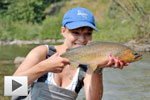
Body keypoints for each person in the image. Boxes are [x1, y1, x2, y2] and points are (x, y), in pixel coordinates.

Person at [12, 7, 129, 100]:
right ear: (63, 31)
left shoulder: (87, 64)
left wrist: (98, 69)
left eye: (88, 33)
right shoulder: (43, 52)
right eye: (76, 32)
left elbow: (93, 99)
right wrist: (43, 67)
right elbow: (10, 88)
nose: (82, 39)